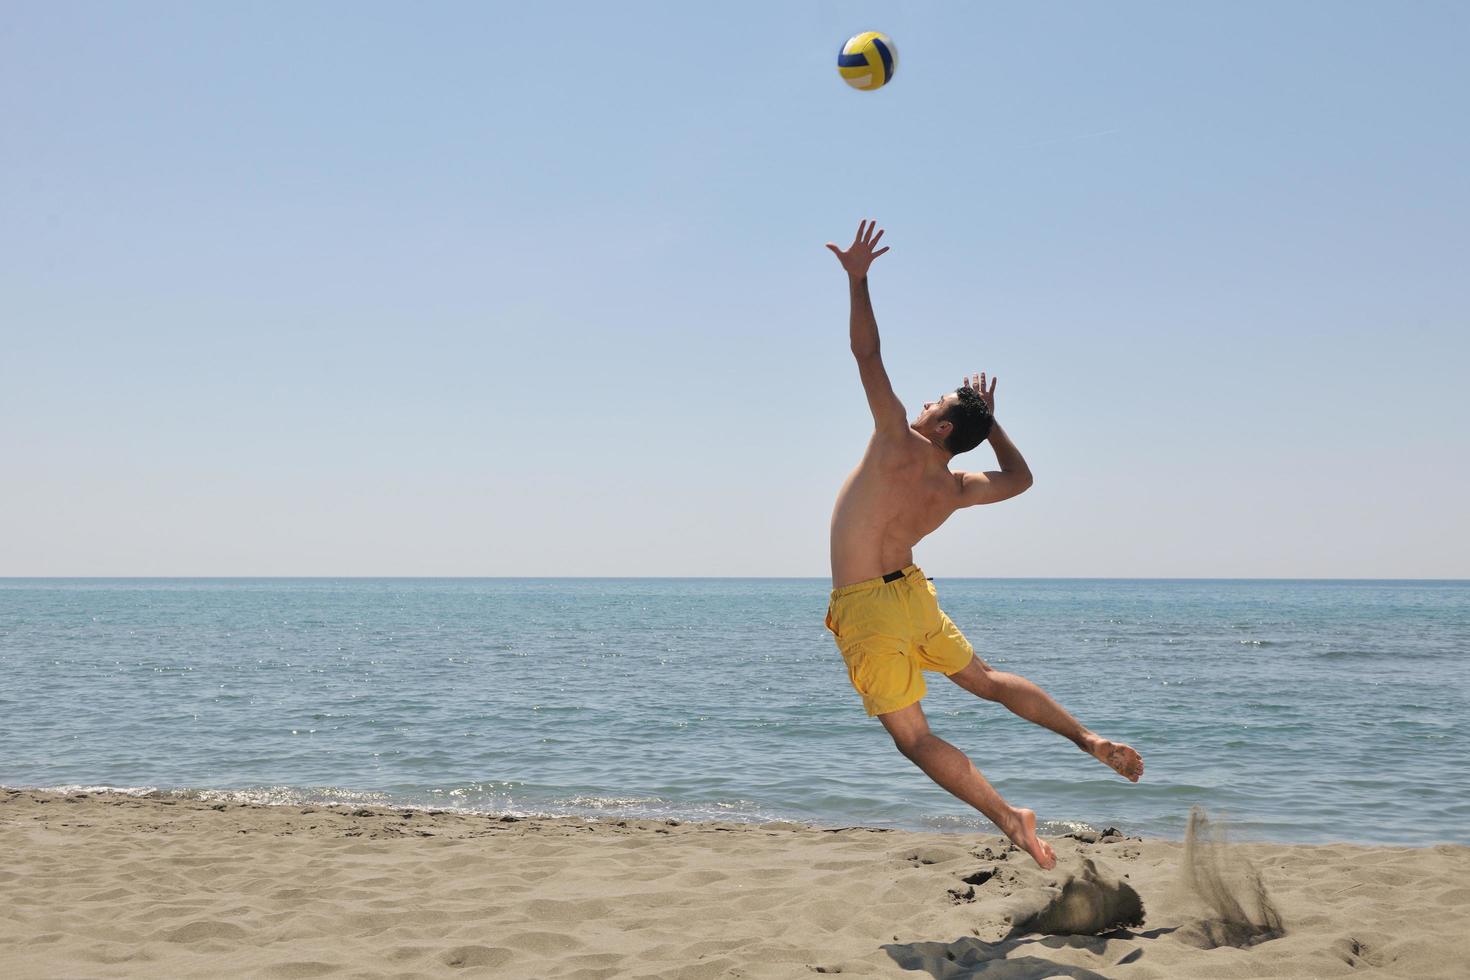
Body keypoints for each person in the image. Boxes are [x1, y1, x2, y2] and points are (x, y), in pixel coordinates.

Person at [823, 219, 1143, 870]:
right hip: (914, 595)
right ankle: (1084, 737)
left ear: (938, 424)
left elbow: (867, 355)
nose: (916, 403)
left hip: (869, 605)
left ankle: (1011, 818)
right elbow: (1021, 480)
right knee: (987, 681)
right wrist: (992, 427)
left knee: (914, 738)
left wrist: (858, 282)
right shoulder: (957, 485)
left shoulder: (894, 440)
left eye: (931, 402)